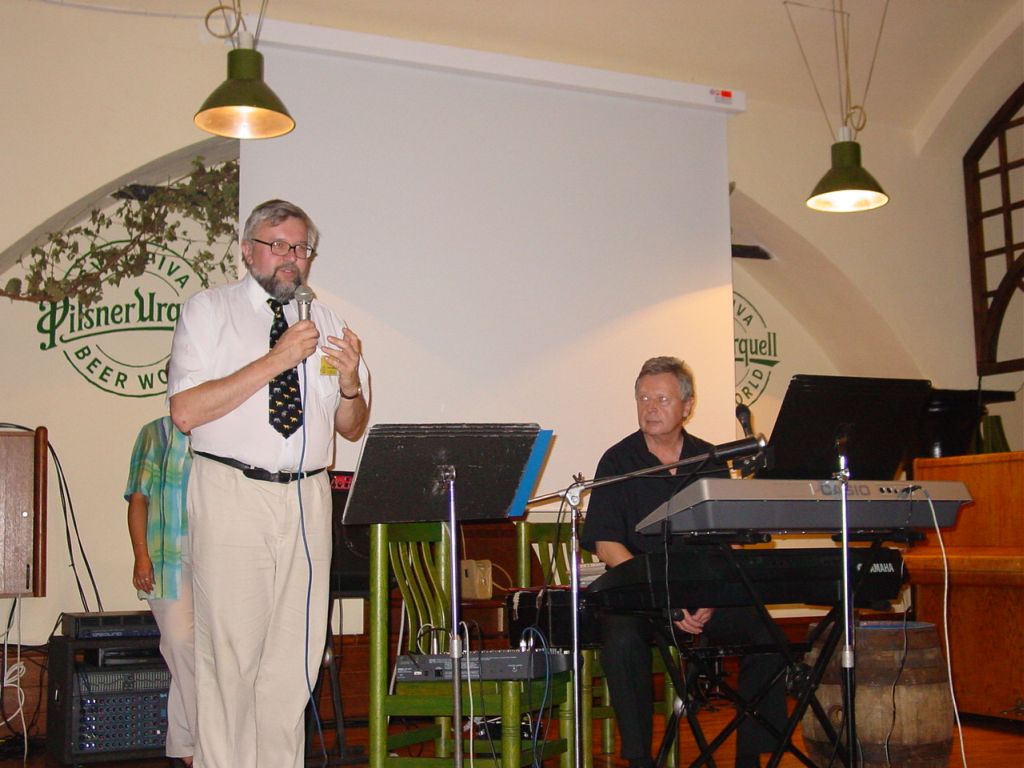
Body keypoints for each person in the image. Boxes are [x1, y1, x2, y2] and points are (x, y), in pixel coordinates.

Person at [168, 199, 369, 768]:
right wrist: (278, 359)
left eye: (300, 247)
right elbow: (186, 412)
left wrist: (350, 385)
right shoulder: (210, 311)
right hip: (233, 491)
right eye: (277, 244)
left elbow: (352, 427)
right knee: (229, 656)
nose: (290, 257)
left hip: (308, 496)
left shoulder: (328, 322)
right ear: (246, 250)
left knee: (294, 660)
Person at [581, 356, 786, 768]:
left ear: (687, 406)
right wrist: (664, 598)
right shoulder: (617, 461)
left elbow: (726, 540)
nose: (650, 408)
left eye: (662, 399)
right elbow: (606, 545)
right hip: (641, 595)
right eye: (643, 398)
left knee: (765, 633)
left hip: (702, 592)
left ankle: (752, 756)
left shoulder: (709, 459)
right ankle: (640, 759)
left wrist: (710, 597)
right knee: (620, 639)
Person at [125, 414, 196, 768]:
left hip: (216, 558)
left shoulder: (222, 430)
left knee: (204, 654)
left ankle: (187, 746)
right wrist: (141, 556)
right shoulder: (154, 433)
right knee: (181, 644)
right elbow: (138, 499)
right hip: (167, 558)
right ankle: (205, 742)